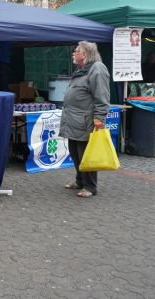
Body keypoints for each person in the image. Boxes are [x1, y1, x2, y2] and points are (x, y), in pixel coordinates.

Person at [59, 41, 110, 198]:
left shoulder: (97, 69)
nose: (73, 53)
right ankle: (80, 181)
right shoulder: (82, 69)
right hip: (74, 120)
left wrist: (99, 117)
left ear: (86, 54)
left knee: (86, 154)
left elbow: (102, 95)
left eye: (77, 51)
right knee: (75, 152)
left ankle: (90, 186)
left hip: (85, 120)